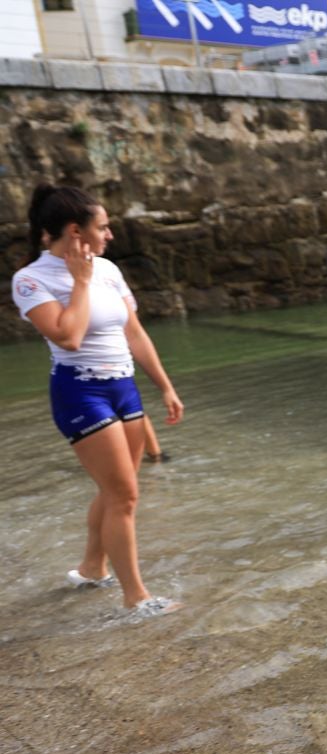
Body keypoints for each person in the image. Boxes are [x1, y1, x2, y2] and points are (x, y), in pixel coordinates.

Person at [11, 184, 183, 615]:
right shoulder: (30, 279)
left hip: (123, 386)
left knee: (118, 491)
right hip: (79, 390)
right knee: (123, 494)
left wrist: (164, 385)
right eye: (102, 227)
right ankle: (136, 598)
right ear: (75, 230)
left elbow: (135, 332)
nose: (109, 236)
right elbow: (68, 337)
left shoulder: (108, 269)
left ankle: (92, 567)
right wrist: (81, 283)